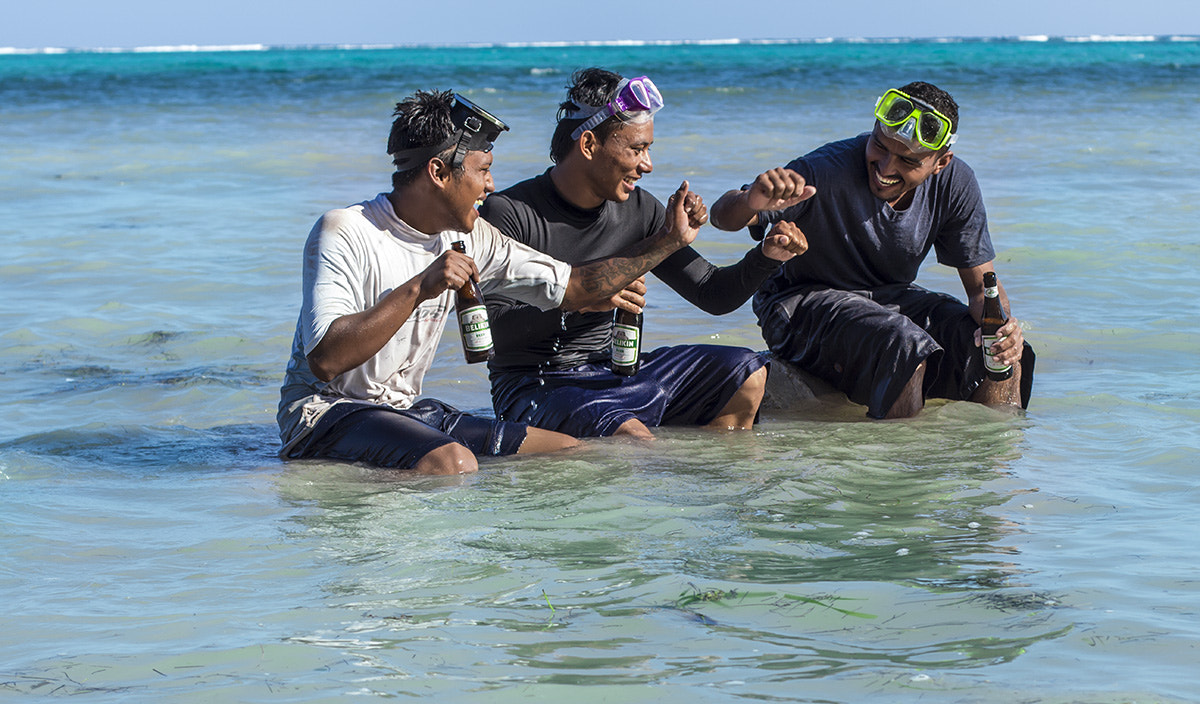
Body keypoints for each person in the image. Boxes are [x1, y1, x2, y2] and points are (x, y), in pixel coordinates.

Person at [277, 90, 704, 474]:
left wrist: (667, 243)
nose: (491, 186)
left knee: (567, 450)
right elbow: (326, 360)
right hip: (322, 414)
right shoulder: (345, 229)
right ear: (439, 172)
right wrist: (419, 287)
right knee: (454, 461)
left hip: (405, 411)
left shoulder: (472, 237)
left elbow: (573, 286)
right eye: (483, 171)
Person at [479, 67, 807, 440]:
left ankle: (713, 485)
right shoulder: (509, 213)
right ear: (588, 145)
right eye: (637, 149)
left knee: (745, 373)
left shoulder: (640, 209)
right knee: (631, 437)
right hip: (535, 384)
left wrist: (767, 255)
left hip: (617, 370)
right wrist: (581, 301)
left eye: (647, 148)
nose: (647, 165)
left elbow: (713, 294)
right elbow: (491, 334)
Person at [710, 81, 1034, 419]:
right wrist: (751, 200)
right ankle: (896, 465)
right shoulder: (824, 170)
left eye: (907, 160)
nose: (886, 168)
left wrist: (1003, 329)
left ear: (941, 162)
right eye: (879, 146)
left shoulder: (956, 182)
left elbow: (983, 290)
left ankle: (994, 462)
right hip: (798, 304)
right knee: (902, 343)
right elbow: (722, 217)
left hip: (889, 299)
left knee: (999, 351)